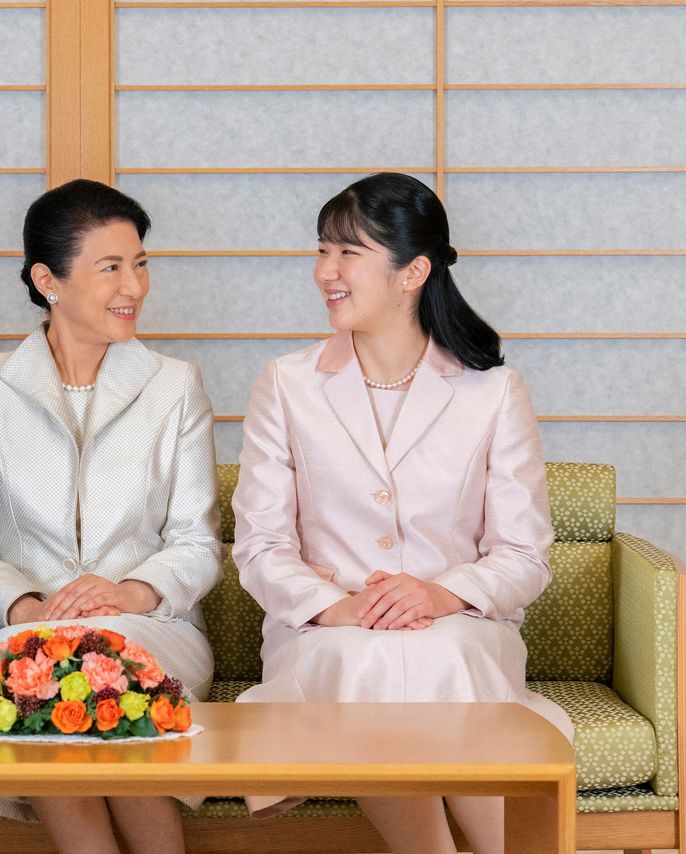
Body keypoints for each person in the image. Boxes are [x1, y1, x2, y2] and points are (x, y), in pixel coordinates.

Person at [231, 172, 573, 854]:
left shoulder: (493, 391)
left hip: (462, 631)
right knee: (366, 661)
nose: (326, 271)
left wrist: (440, 593)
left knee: (439, 655)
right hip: (325, 633)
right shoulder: (287, 383)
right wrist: (338, 607)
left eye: (348, 253)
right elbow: (259, 545)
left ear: (413, 271)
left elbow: (524, 554)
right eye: (322, 250)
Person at [0, 179, 222, 854]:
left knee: (109, 670)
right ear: (47, 279)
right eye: (111, 267)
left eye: (141, 263)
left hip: (156, 626)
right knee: (39, 674)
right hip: (19, 630)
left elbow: (197, 543)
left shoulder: (174, 384)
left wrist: (128, 593)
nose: (136, 286)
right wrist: (28, 610)